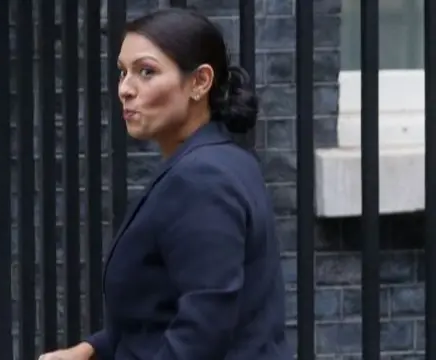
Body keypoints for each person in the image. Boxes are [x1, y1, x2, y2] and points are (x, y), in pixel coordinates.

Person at [39, 8, 290, 360]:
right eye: (123, 72)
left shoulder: (204, 179)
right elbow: (159, 311)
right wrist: (91, 349)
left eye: (146, 72)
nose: (125, 89)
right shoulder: (218, 160)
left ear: (200, 82)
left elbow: (203, 329)